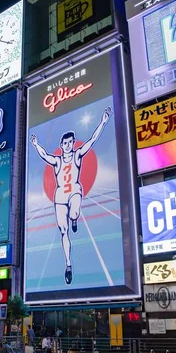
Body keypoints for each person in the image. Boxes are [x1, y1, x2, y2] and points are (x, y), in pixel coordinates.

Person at [30, 107, 112, 285]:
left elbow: (92, 140)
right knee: (63, 230)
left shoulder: (77, 156)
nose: (68, 146)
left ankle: (75, 218)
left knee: (74, 213)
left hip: (74, 190)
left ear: (73, 143)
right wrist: (36, 144)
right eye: (65, 143)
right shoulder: (57, 160)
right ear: (61, 145)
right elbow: (44, 155)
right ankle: (68, 265)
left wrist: (103, 122)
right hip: (60, 195)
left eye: (70, 143)